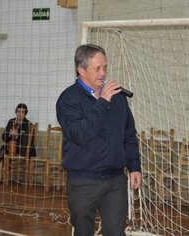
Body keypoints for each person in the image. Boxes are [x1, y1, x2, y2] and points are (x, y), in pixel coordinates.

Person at [56, 44, 142, 236]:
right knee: (84, 232)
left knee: (116, 232)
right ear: (81, 70)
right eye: (97, 68)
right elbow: (80, 134)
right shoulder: (68, 99)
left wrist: (134, 165)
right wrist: (102, 102)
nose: (103, 73)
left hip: (115, 180)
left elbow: (128, 134)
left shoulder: (118, 98)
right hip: (83, 180)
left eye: (105, 67)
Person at [0, 103, 36, 174]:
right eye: (18, 111)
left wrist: (17, 135)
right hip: (12, 148)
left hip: (25, 149)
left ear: (25, 114)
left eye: (22, 112)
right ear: (16, 112)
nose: (20, 114)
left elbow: (28, 141)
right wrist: (10, 135)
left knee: (6, 148)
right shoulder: (11, 121)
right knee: (6, 147)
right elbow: (3, 137)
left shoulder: (28, 124)